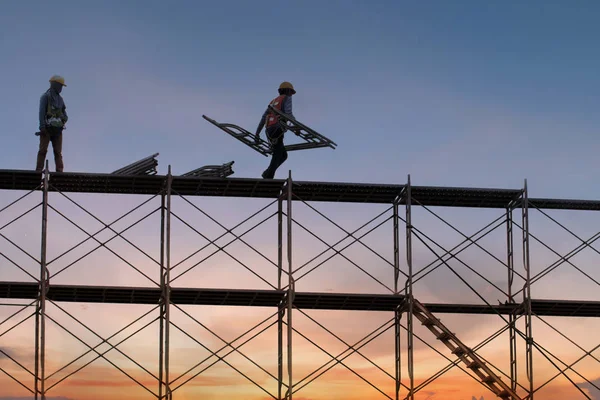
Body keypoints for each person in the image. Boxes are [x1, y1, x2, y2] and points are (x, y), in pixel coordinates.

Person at [254, 81, 296, 179]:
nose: (291, 95)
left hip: (269, 130)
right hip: (278, 129)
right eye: (291, 92)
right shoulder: (287, 98)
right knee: (278, 153)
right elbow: (289, 113)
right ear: (288, 91)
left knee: (283, 155)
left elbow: (264, 118)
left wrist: (257, 133)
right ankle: (269, 175)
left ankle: (268, 172)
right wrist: (296, 127)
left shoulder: (273, 102)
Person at [36, 75, 68, 172]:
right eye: (60, 85)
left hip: (58, 130)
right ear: (54, 84)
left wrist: (62, 119)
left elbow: (65, 115)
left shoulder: (61, 100)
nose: (61, 88)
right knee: (42, 151)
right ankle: (38, 170)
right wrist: (42, 127)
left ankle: (59, 171)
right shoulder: (45, 97)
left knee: (58, 152)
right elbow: (41, 112)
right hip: (46, 128)